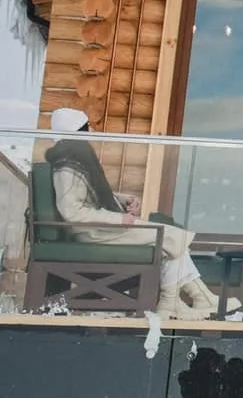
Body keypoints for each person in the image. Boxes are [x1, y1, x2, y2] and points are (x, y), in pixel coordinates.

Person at [43, 107, 224, 319]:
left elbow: (87, 196)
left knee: (170, 237)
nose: (90, 131)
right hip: (93, 233)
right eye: (85, 128)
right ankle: (176, 301)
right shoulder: (68, 168)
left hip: (97, 229)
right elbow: (72, 212)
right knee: (168, 236)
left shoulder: (74, 162)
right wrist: (118, 218)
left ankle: (196, 298)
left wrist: (122, 199)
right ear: (77, 133)